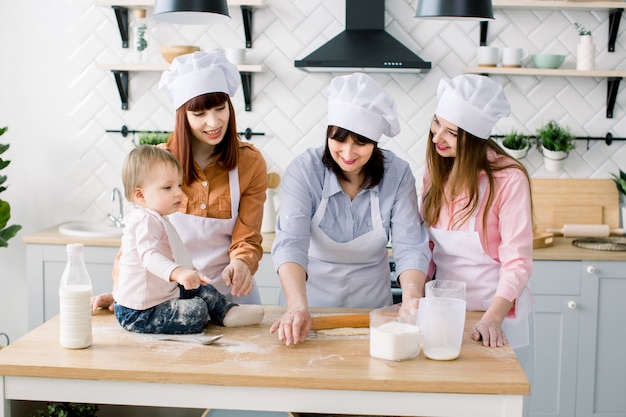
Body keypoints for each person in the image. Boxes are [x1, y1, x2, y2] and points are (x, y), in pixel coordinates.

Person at [92, 50, 267, 312]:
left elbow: (247, 236)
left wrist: (242, 262)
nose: (213, 122)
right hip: (166, 301)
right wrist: (122, 294)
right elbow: (136, 242)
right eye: (199, 114)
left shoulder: (249, 163)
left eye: (220, 109)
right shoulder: (158, 162)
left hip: (231, 298)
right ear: (183, 116)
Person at [270, 73, 431, 346]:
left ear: (375, 142)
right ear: (328, 133)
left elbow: (410, 246)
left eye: (361, 142)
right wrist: (297, 305)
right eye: (339, 139)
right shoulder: (305, 170)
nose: (347, 152)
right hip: (307, 307)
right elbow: (291, 242)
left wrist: (412, 297)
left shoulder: (398, 173)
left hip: (374, 314)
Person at [421, 74, 534, 415]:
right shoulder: (434, 170)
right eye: (436, 124)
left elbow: (517, 262)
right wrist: (416, 298)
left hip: (495, 316)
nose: (437, 137)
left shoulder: (508, 179)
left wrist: (491, 319)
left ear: (473, 137)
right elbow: (428, 249)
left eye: (452, 132)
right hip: (444, 314)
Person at [114, 145, 264, 334]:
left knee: (203, 289)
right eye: (168, 187)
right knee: (198, 310)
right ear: (140, 195)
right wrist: (179, 273)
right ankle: (216, 314)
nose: (178, 193)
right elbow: (149, 257)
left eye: (179, 185)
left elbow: (174, 252)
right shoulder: (143, 220)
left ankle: (227, 313)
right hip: (140, 312)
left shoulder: (158, 217)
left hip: (162, 294)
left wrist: (192, 273)